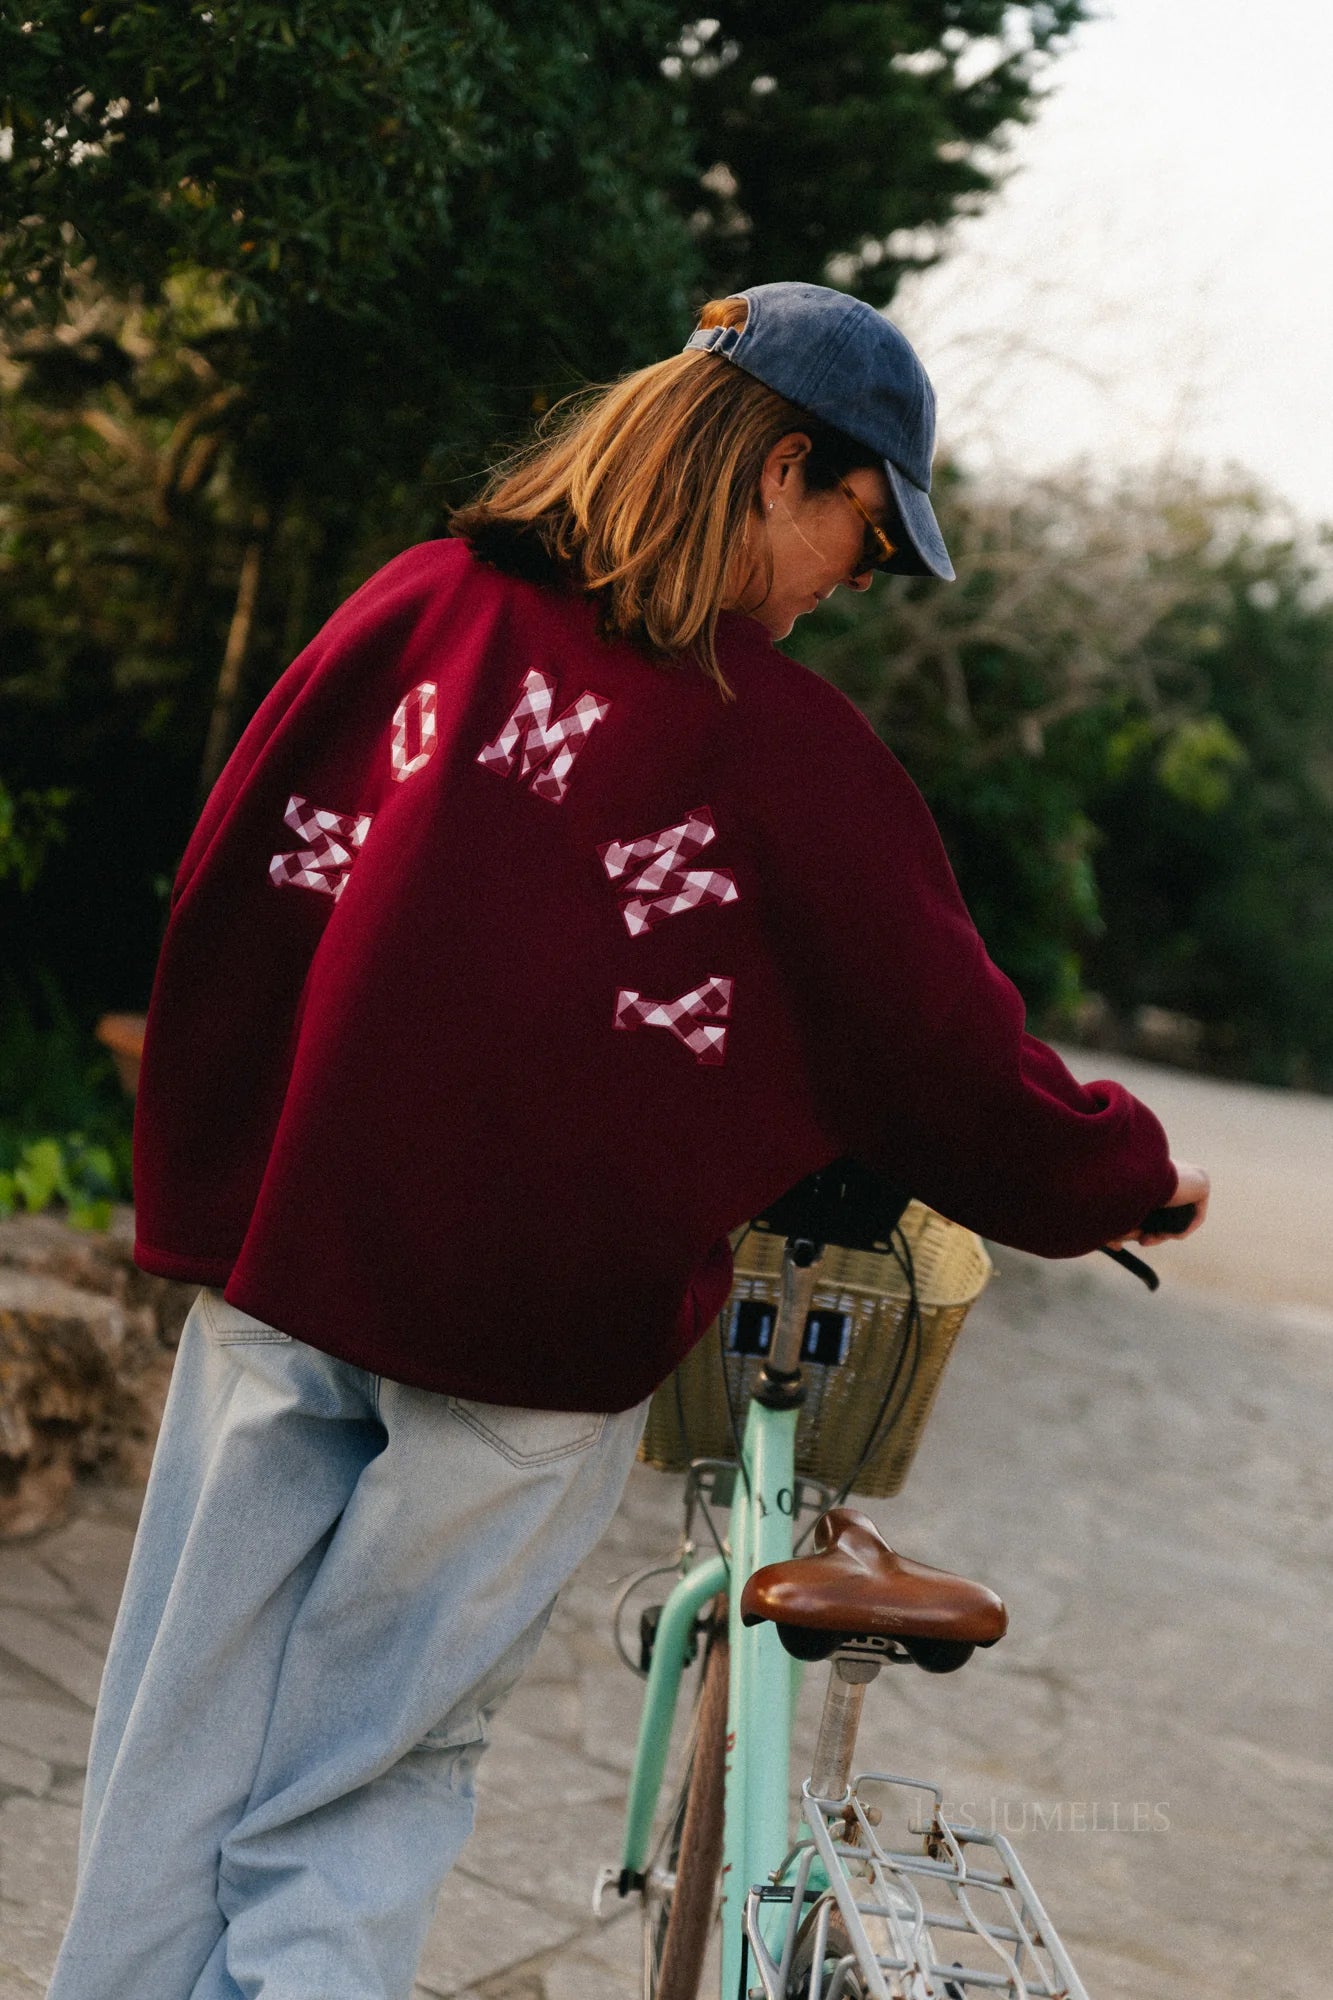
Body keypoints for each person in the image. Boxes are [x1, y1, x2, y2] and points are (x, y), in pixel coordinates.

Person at [49, 281, 1208, 2000]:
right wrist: (1120, 1174)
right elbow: (941, 1048)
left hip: (286, 1272)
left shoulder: (416, 609)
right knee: (360, 1778)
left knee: (178, 1737)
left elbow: (248, 886)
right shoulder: (778, 751)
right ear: (780, 470)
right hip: (519, 1348)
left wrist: (216, 1171)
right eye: (865, 534)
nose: (856, 585)